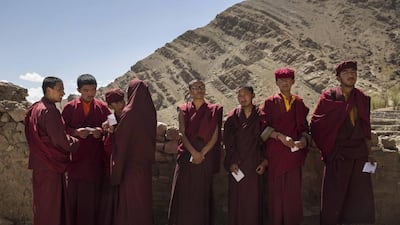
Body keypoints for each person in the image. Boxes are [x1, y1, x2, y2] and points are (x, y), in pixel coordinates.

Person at [310, 60, 375, 225]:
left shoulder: (362, 98)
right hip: (338, 155)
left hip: (359, 154)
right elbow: (316, 124)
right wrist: (329, 150)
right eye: (346, 72)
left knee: (360, 199)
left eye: (353, 71)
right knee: (334, 199)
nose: (351, 75)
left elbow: (366, 128)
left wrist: (370, 153)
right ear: (338, 77)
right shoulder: (329, 97)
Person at [24, 76, 80, 225]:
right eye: (60, 89)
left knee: (42, 203)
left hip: (40, 163)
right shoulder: (50, 111)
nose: (63, 93)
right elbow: (59, 140)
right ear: (49, 90)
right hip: (50, 165)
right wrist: (76, 141)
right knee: (51, 204)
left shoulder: (36, 108)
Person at [168, 79, 223, 225]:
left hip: (205, 157)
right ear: (190, 91)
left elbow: (215, 135)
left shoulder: (213, 109)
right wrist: (193, 153)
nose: (199, 89)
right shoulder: (183, 109)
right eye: (196, 87)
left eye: (202, 87)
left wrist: (202, 153)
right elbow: (182, 133)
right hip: (187, 156)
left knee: (201, 194)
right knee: (183, 192)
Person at [260, 68, 310, 225]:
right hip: (276, 153)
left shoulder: (299, 102)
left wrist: (303, 140)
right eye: (281, 80)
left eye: (288, 79)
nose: (285, 82)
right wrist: (279, 136)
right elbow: (262, 128)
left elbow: (305, 128)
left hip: (294, 153)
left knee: (293, 192)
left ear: (293, 81)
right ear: (276, 83)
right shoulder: (269, 102)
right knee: (276, 193)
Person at [61, 74, 111, 225]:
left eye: (93, 89)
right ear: (78, 90)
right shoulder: (69, 108)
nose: (90, 93)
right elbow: (62, 129)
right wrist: (76, 132)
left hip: (95, 160)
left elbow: (112, 125)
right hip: (77, 159)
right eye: (86, 90)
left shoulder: (102, 107)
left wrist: (100, 132)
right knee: (75, 197)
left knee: (94, 198)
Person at [110, 79, 157, 225]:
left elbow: (122, 143)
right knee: (143, 201)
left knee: (130, 203)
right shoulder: (150, 111)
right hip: (145, 165)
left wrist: (115, 171)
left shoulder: (129, 113)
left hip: (130, 166)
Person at [223, 85, 268, 225]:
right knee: (237, 200)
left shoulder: (261, 117)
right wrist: (232, 162)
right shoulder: (232, 118)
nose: (242, 98)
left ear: (253, 95)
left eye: (246, 94)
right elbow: (228, 143)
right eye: (240, 95)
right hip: (238, 166)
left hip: (255, 165)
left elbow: (266, 143)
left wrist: (264, 162)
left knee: (254, 201)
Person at [98, 88, 126, 225]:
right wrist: (110, 133)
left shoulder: (130, 116)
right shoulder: (111, 118)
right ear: (110, 106)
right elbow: (108, 145)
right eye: (116, 102)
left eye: (122, 100)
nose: (121, 104)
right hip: (113, 162)